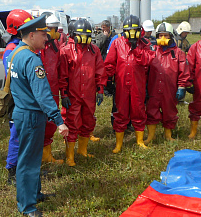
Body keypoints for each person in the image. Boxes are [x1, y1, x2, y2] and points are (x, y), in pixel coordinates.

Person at [8, 15, 69, 217]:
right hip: (32, 115)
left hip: (24, 113)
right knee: (28, 161)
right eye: (43, 34)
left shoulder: (17, 53)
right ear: (31, 35)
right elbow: (43, 95)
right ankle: (26, 205)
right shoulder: (32, 59)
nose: (47, 38)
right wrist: (59, 121)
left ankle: (35, 194)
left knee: (32, 158)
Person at [59, 19, 107, 166]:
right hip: (73, 94)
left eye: (87, 35)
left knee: (88, 121)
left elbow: (100, 70)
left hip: (89, 94)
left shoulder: (94, 50)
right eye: (82, 35)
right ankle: (70, 156)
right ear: (74, 34)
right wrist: (64, 94)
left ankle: (82, 150)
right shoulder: (66, 50)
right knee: (72, 123)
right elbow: (63, 75)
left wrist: (100, 90)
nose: (85, 38)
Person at [105, 15, 155, 153]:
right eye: (129, 31)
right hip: (121, 85)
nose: (131, 34)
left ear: (140, 30)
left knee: (139, 111)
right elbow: (109, 63)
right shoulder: (117, 43)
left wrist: (136, 48)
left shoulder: (144, 44)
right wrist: (107, 79)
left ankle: (139, 141)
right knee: (120, 112)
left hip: (137, 85)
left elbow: (148, 60)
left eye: (134, 31)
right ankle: (118, 144)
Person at [144, 22, 191, 144]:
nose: (163, 38)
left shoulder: (178, 53)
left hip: (169, 90)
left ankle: (168, 135)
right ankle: (151, 136)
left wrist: (181, 86)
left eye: (166, 36)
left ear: (171, 36)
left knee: (169, 112)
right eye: (160, 36)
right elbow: (145, 69)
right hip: (154, 89)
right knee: (151, 111)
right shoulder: (152, 51)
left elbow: (183, 71)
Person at [2, 9, 33, 185]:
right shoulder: (11, 50)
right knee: (17, 136)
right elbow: (16, 76)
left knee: (27, 136)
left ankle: (25, 167)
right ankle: (12, 171)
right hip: (17, 100)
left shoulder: (22, 47)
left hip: (26, 99)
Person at [39, 15, 64, 164]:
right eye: (54, 29)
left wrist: (63, 92)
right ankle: (40, 156)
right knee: (39, 123)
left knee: (50, 124)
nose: (57, 32)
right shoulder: (38, 48)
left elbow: (59, 69)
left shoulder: (55, 48)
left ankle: (47, 156)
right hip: (40, 92)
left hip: (53, 91)